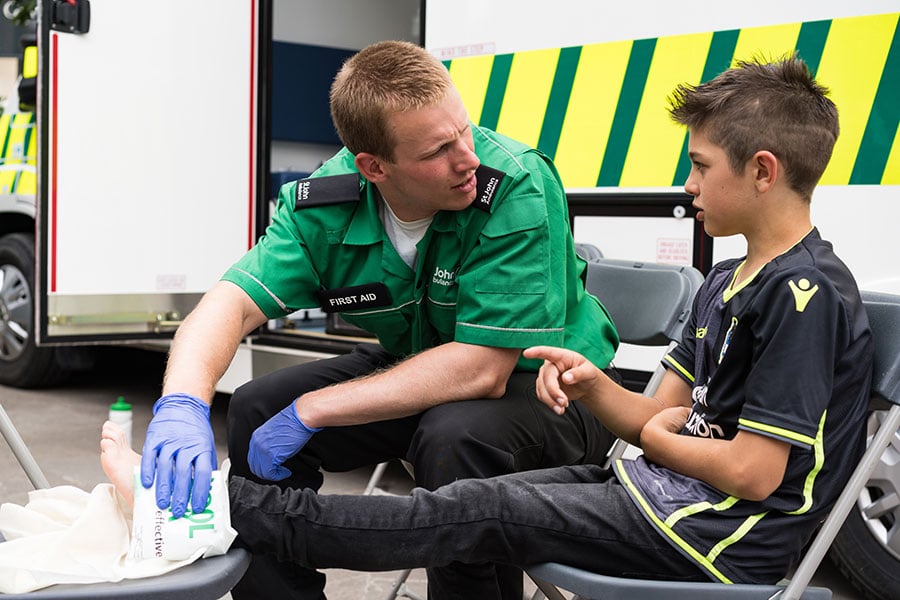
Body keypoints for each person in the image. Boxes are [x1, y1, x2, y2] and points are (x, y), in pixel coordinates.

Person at [208, 55, 874, 587]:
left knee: (474, 506)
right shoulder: (727, 281)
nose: (689, 188)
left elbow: (754, 475)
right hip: (653, 491)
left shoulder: (805, 294)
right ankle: (235, 515)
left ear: (763, 171)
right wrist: (590, 384)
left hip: (710, 534)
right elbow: (650, 419)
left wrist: (662, 443)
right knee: (469, 502)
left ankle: (217, 513)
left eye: (700, 167)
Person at [139, 40, 619, 599]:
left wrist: (315, 408)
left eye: (465, 130)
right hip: (425, 367)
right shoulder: (323, 203)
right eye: (439, 150)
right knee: (254, 406)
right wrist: (182, 404)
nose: (467, 158)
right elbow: (231, 302)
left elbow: (483, 368)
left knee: (455, 438)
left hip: (554, 393)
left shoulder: (516, 186)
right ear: (373, 167)